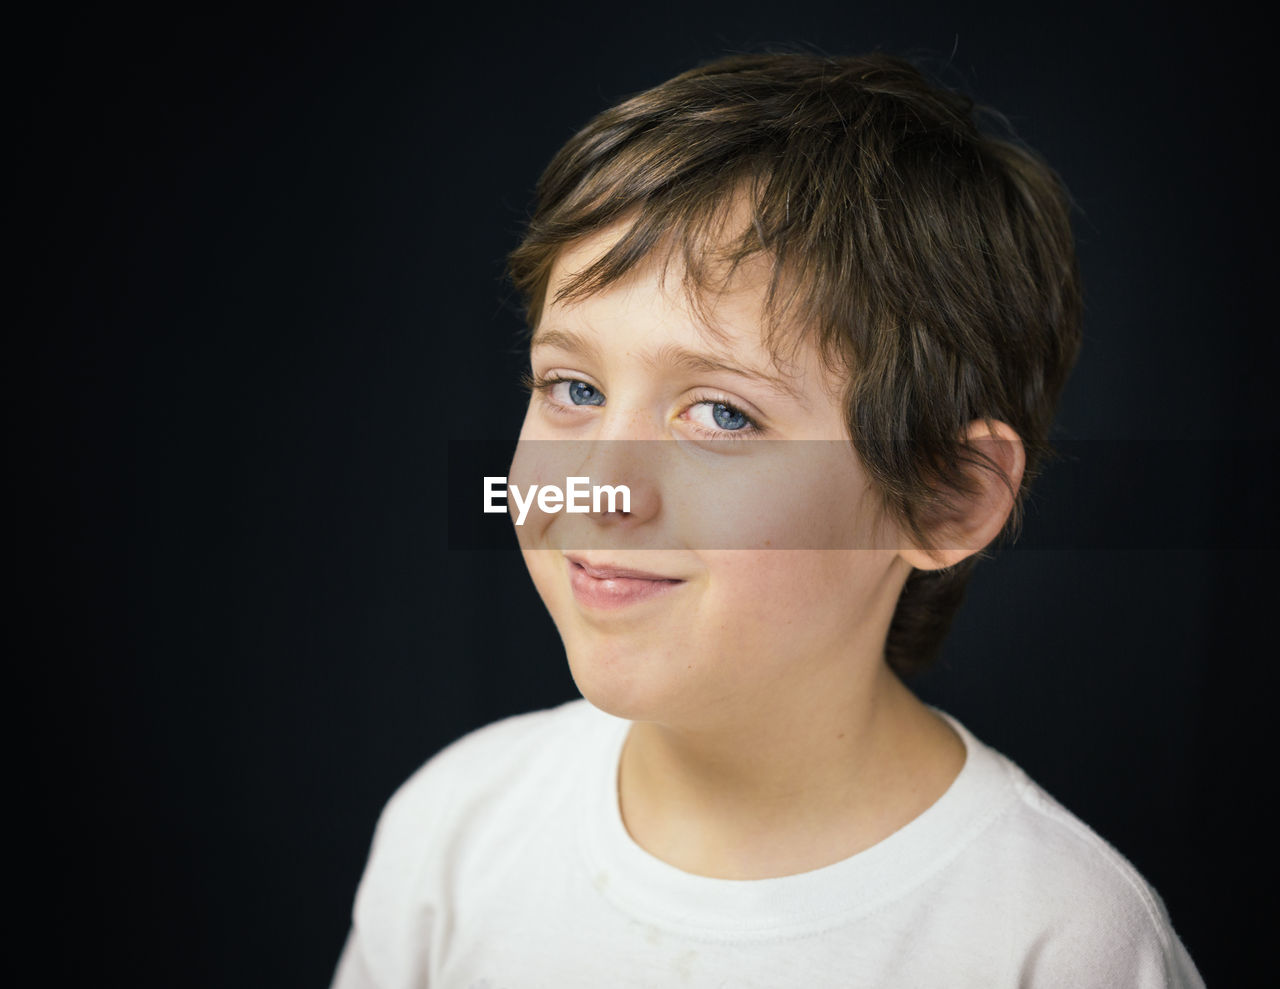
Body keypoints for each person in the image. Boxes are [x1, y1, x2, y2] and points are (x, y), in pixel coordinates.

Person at [332, 52, 1203, 987]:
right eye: (573, 387)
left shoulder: (1060, 942)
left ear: (945, 494)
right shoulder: (453, 831)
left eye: (722, 415)